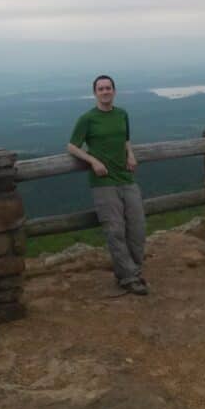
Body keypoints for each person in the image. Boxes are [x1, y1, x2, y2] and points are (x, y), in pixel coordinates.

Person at [67, 74, 148, 295]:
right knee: (115, 231)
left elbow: (125, 139)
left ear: (114, 91)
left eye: (108, 88)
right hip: (103, 183)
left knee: (137, 228)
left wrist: (130, 153)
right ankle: (129, 277)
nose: (105, 91)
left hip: (126, 178)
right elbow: (72, 146)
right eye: (101, 89)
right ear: (95, 93)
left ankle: (134, 270)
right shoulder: (87, 118)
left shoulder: (122, 114)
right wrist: (93, 161)